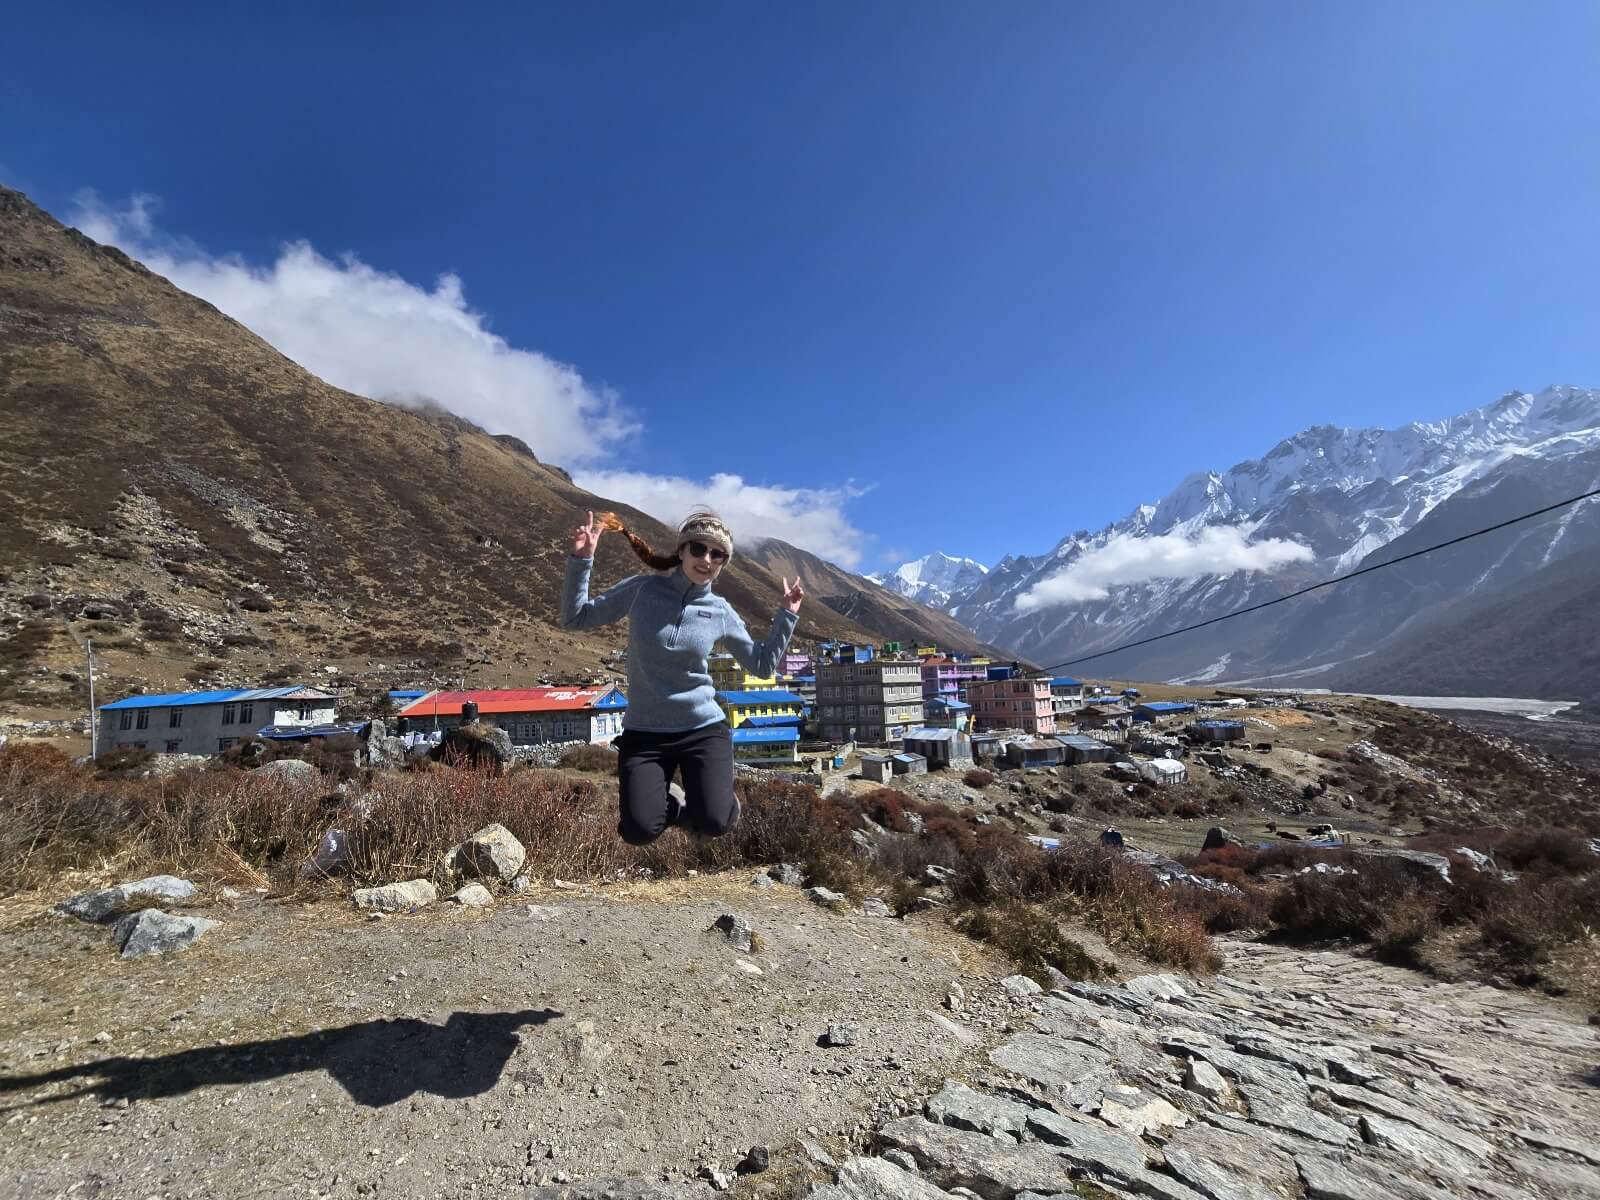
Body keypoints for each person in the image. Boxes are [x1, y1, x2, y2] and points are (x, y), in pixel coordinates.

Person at [559, 507, 804, 844]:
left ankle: (718, 804)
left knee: (715, 821)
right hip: (645, 733)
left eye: (717, 554)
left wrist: (786, 617)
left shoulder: (720, 611)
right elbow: (575, 619)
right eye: (699, 548)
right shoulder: (642, 590)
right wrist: (582, 560)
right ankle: (672, 802)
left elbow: (761, 666)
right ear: (682, 550)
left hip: (702, 729)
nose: (706, 559)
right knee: (638, 830)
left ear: (723, 563)